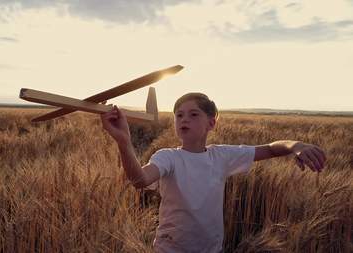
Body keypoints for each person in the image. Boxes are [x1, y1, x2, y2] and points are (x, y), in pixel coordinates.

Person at [100, 92, 326, 253]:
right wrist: (124, 141)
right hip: (170, 248)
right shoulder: (168, 156)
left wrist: (295, 145)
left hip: (211, 248)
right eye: (179, 115)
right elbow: (140, 179)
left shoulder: (221, 156)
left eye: (193, 114)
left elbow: (269, 149)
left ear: (211, 123)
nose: (184, 119)